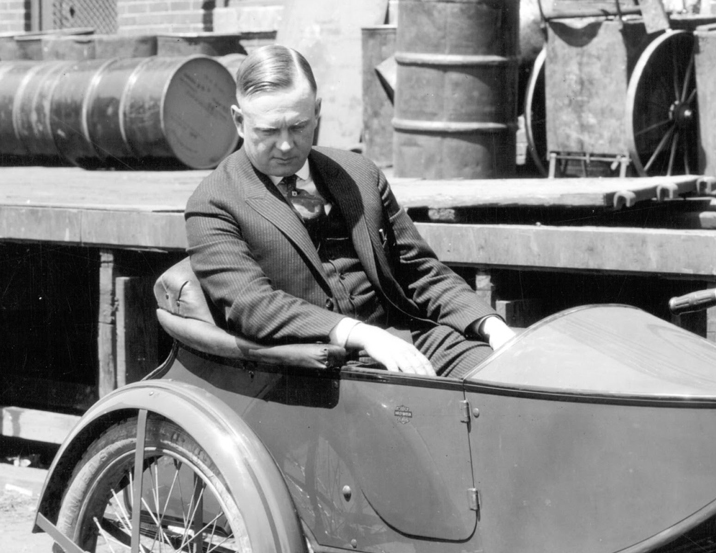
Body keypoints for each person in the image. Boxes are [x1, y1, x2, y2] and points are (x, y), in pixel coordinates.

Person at [185, 44, 514, 377]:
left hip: (409, 341)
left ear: (317, 111)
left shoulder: (359, 173)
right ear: (239, 122)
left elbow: (419, 271)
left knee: (511, 377)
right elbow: (252, 305)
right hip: (319, 367)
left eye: (298, 127)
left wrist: (491, 325)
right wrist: (362, 335)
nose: (285, 146)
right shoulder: (214, 201)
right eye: (268, 131)